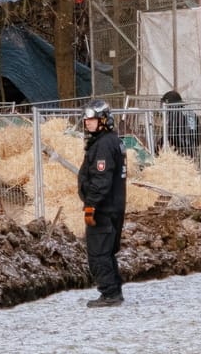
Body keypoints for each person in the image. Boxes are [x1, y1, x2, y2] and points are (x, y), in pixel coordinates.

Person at [77, 100, 127, 308]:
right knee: (106, 252)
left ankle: (109, 293)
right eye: (86, 119)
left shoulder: (104, 145)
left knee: (98, 253)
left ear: (104, 120)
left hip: (104, 209)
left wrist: (91, 205)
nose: (87, 123)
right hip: (114, 206)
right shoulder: (112, 141)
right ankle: (114, 289)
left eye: (92, 119)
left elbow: (101, 179)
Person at [160, 90, 200, 156]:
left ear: (168, 102)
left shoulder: (174, 113)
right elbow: (199, 132)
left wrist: (157, 148)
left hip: (179, 148)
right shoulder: (191, 112)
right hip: (192, 147)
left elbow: (170, 134)